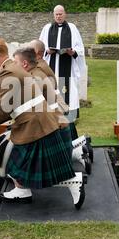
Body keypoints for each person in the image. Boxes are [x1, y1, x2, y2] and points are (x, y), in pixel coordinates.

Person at [0, 38, 85, 209]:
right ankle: (23, 190)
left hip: (35, 125)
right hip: (35, 122)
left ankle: (73, 181)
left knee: (10, 160)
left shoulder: (8, 73)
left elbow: (0, 112)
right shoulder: (13, 68)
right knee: (12, 158)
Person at [14, 47, 92, 175]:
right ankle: (78, 152)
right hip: (58, 120)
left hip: (55, 125)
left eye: (15, 62)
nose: (14, 65)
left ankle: (75, 173)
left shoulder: (37, 75)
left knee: (24, 152)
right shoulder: (38, 69)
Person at [39, 5, 86, 140]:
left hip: (68, 68)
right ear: (53, 15)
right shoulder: (47, 28)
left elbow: (80, 48)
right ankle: (51, 121)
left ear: (65, 14)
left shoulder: (72, 28)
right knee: (52, 92)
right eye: (56, 14)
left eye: (61, 14)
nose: (58, 16)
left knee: (67, 93)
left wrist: (73, 52)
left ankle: (68, 123)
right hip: (51, 67)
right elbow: (40, 46)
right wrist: (47, 50)